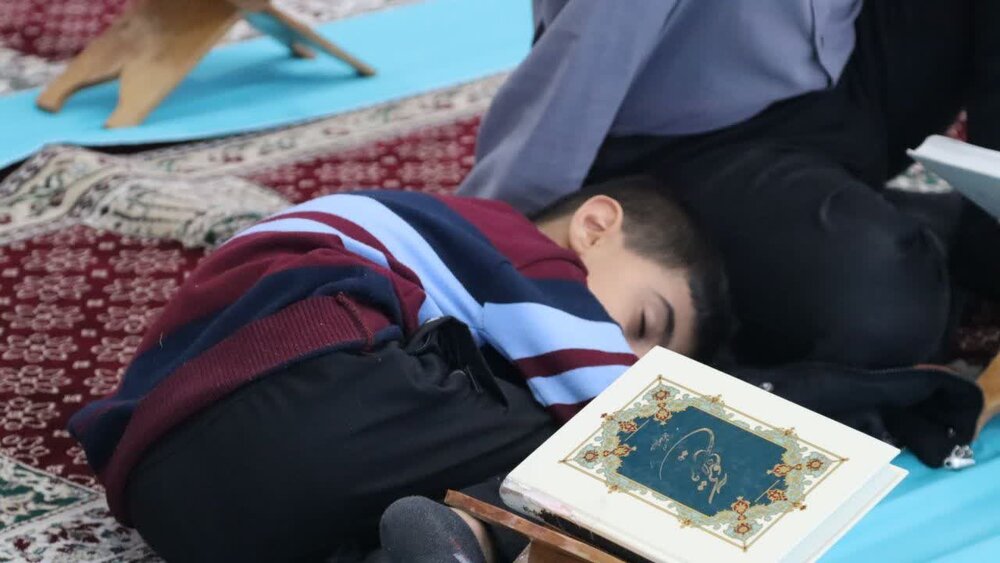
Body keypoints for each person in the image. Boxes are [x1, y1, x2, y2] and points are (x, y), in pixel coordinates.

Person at [67, 176, 730, 562]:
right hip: (293, 399)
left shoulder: (430, 240)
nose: (625, 355)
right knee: (592, 446)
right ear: (595, 226)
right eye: (642, 324)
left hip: (172, 499)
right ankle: (476, 532)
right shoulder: (519, 252)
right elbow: (626, 414)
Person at [459, 0, 998, 467]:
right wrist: (482, 247)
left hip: (845, 74)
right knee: (881, 307)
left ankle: (981, 234)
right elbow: (590, 49)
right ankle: (913, 231)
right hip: (685, 135)